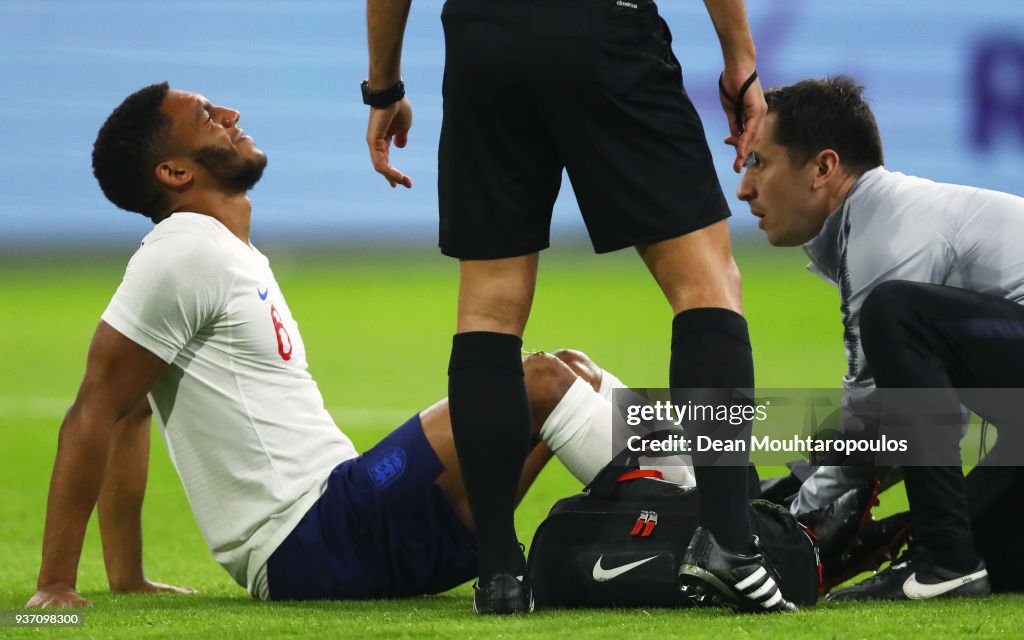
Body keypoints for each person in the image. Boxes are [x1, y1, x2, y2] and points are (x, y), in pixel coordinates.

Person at [363, 0, 793, 614]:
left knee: (488, 310)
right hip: (606, 32)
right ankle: (729, 544)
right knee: (706, 285)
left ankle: (499, 574)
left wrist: (384, 87)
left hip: (484, 40)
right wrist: (742, 64)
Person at [737, 75, 1024, 600]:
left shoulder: (885, 226)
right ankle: (950, 559)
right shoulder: (877, 223)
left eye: (758, 162)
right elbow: (911, 419)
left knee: (897, 313)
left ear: (824, 167)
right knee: (998, 558)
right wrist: (810, 479)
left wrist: (799, 510)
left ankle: (945, 566)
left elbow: (884, 420)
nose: (743, 187)